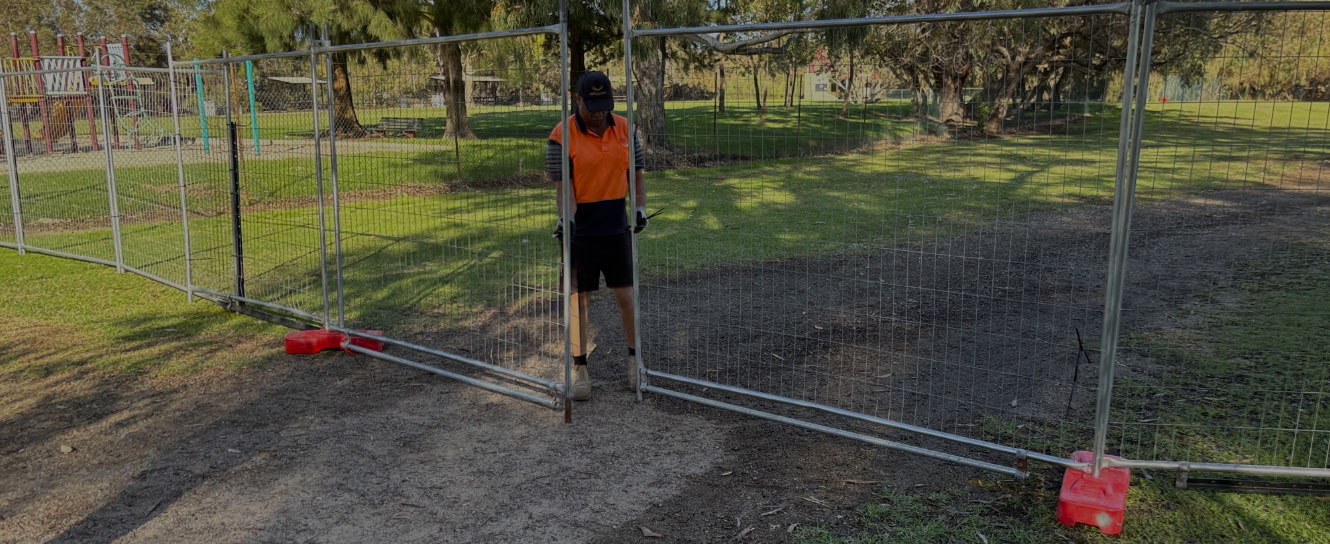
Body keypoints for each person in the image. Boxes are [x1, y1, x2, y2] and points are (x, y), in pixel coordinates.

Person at [545, 71, 648, 401]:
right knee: (579, 301)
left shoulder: (626, 129)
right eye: (592, 107)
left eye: (604, 106)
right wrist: (567, 218)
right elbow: (564, 188)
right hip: (582, 232)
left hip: (616, 228)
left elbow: (637, 174)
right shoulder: (561, 135)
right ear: (577, 100)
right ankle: (580, 369)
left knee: (627, 299)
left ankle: (635, 362)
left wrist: (640, 208)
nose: (598, 113)